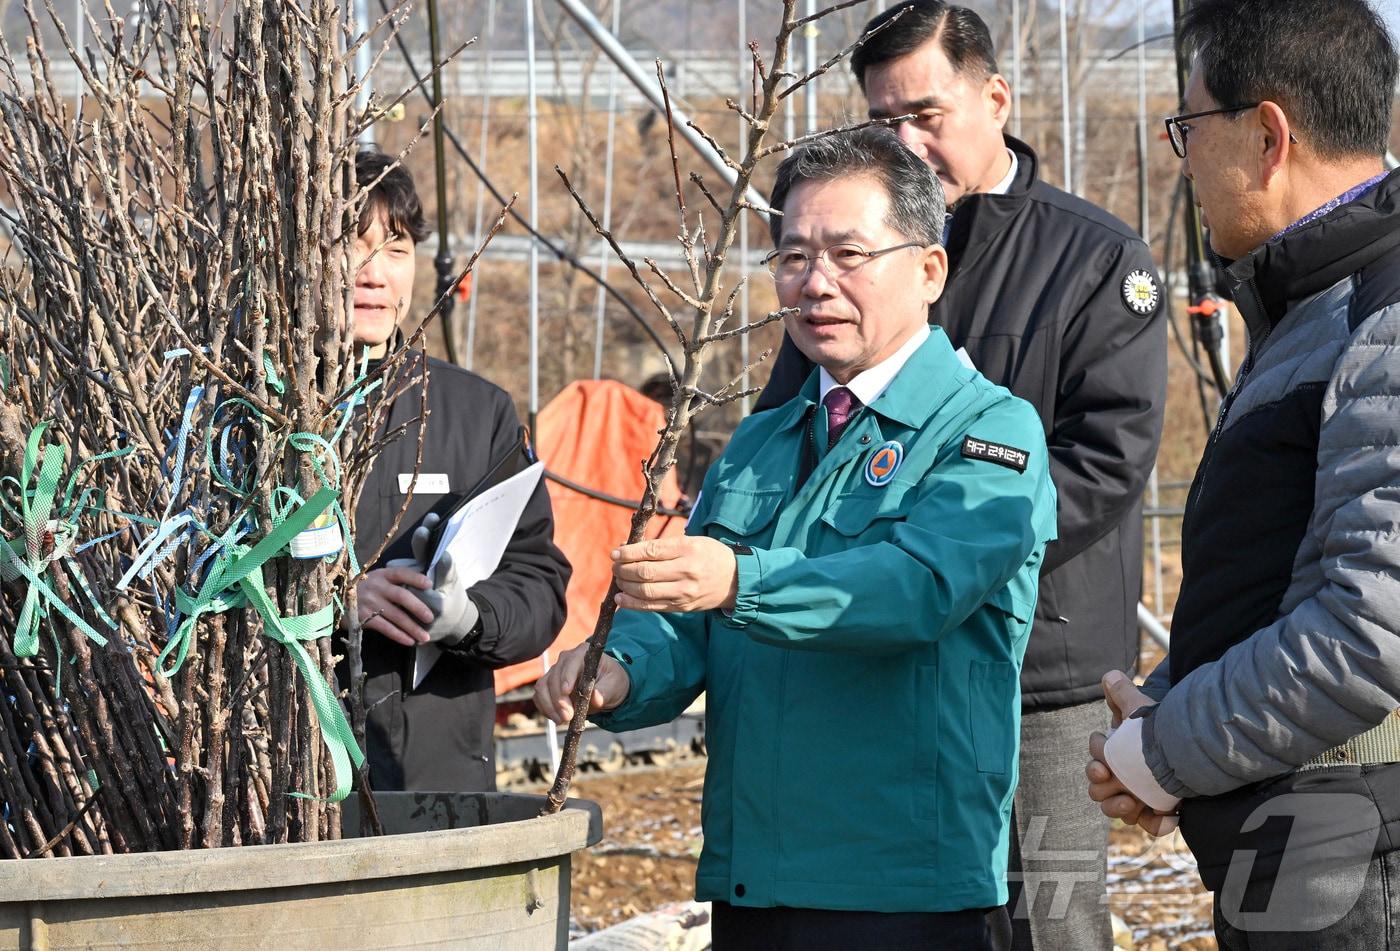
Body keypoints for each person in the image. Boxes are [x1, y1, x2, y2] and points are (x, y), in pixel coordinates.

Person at [536, 127, 1057, 951]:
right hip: (757, 877)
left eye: (848, 254)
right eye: (792, 257)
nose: (816, 283)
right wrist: (616, 668)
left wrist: (739, 582)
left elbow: (915, 587)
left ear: (929, 270)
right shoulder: (764, 437)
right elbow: (687, 620)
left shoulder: (990, 432)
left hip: (902, 886)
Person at [754, 4, 1167, 947]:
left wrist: (943, 553)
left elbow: (1106, 460)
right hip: (881, 655)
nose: (906, 142)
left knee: (1048, 918)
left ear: (995, 97)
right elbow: (792, 429)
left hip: (1040, 676)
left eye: (926, 115)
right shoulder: (854, 262)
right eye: (882, 122)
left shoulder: (1094, 261)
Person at [1085, 1, 1400, 945]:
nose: (1183, 162)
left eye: (1189, 129)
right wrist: (1168, 716)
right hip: (1302, 845)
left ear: (1268, 136)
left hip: (1356, 857)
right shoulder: (1315, 311)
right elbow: (1278, 582)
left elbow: (1369, 628)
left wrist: (1168, 752)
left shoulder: (1380, 320)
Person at [342, 150, 570, 791]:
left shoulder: (475, 412)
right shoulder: (240, 417)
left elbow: (539, 583)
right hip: (280, 779)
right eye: (351, 248)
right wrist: (335, 601)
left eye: (396, 249)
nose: (375, 276)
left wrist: (468, 618)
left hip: (436, 778)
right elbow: (191, 585)